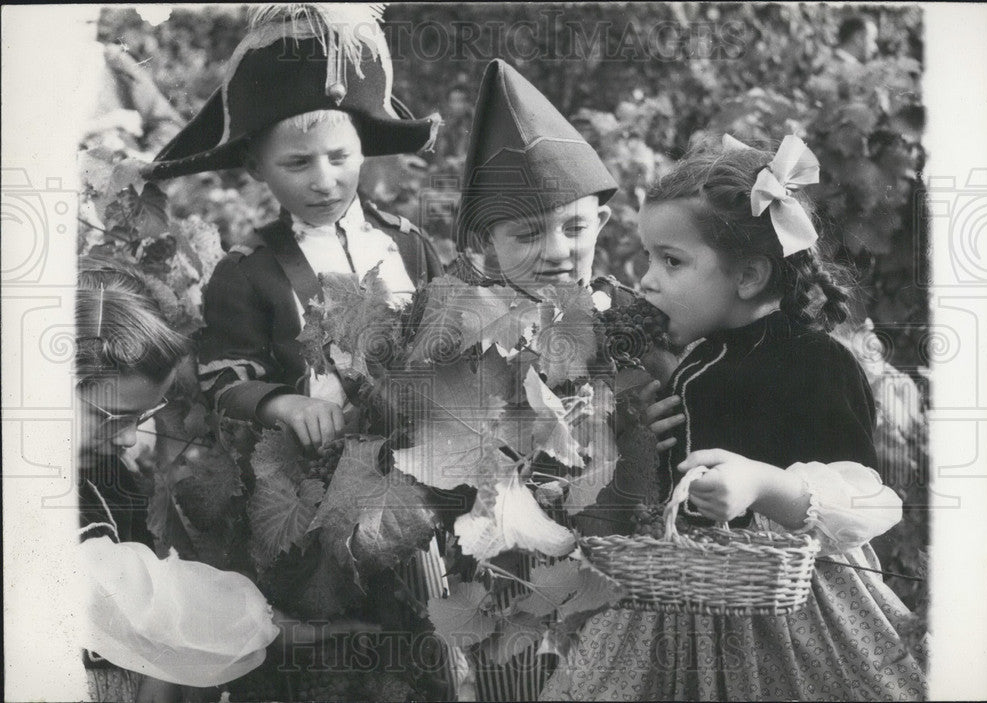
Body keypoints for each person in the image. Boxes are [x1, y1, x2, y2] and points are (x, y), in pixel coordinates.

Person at [539, 136, 926, 701]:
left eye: (671, 261)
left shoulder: (813, 361)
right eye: (649, 257)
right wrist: (639, 434)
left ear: (747, 276)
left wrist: (763, 483)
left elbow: (868, 498)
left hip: (788, 609)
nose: (646, 279)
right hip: (679, 596)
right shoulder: (695, 357)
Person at [448, 59, 685, 702]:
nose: (556, 249)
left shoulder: (643, 323)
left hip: (633, 581)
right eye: (527, 233)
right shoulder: (465, 339)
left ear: (603, 225)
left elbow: (693, 400)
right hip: (516, 587)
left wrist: (682, 418)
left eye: (574, 227)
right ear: (484, 243)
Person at [143, 5, 444, 454]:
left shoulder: (407, 244)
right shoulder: (247, 272)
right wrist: (286, 406)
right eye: (298, 163)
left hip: (426, 454)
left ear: (364, 150)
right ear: (256, 167)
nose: (324, 181)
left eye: (339, 157)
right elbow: (223, 378)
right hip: (316, 474)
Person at [75, 256, 281, 703]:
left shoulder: (109, 475)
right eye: (113, 419)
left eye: (143, 418)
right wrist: (266, 624)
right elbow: (136, 601)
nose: (130, 439)